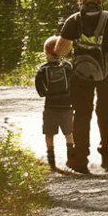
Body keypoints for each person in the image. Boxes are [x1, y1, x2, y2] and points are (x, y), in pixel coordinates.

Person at [55, 0, 108, 174]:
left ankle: (80, 160)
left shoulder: (73, 21)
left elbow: (60, 51)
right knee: (106, 115)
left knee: (81, 114)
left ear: (81, 0)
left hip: (81, 74)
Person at [34, 36, 75, 171]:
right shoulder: (67, 66)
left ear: (46, 52)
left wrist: (46, 93)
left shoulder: (42, 68)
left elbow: (40, 88)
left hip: (51, 105)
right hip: (67, 105)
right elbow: (74, 82)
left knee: (49, 133)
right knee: (69, 132)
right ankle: (71, 158)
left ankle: (51, 160)